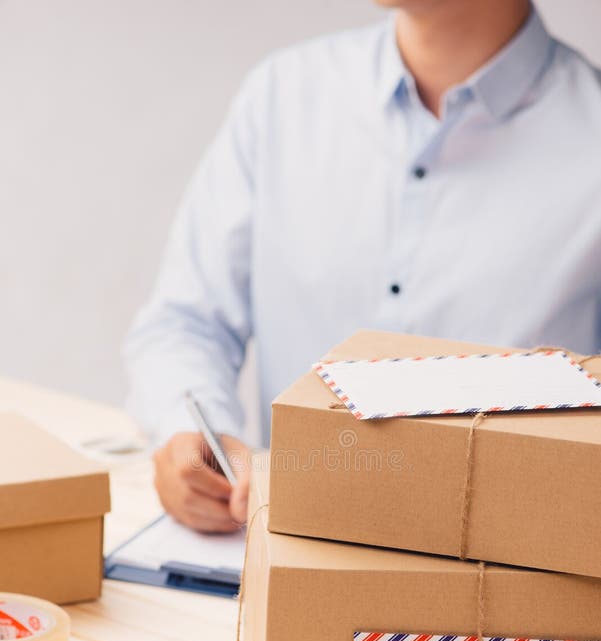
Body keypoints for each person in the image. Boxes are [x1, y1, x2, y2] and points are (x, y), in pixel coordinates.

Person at [124, 0, 601, 533]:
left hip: (513, 561)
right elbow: (185, 324)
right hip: (284, 545)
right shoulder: (283, 96)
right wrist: (195, 436)